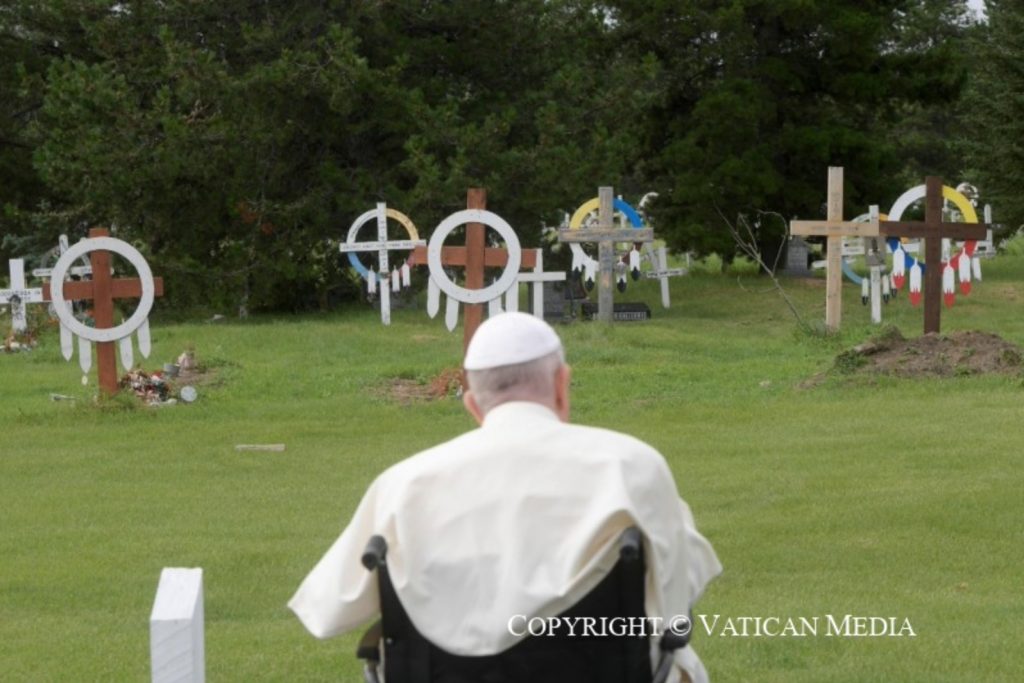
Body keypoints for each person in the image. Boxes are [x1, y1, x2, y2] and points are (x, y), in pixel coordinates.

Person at [289, 312, 722, 682]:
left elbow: (330, 611)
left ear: (473, 406)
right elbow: (676, 602)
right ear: (562, 385)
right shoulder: (631, 467)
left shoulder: (401, 486)